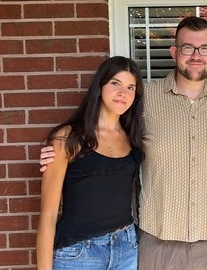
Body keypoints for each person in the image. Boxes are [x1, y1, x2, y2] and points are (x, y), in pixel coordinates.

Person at [39, 16, 207, 269]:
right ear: (174, 52)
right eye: (187, 48)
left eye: (204, 48)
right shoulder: (143, 98)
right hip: (156, 241)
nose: (196, 55)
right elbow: (105, 125)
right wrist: (60, 149)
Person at [36, 56, 145, 270]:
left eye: (131, 87)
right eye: (115, 83)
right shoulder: (68, 138)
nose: (123, 93)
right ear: (99, 87)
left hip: (126, 248)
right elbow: (48, 216)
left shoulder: (133, 138)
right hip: (79, 254)